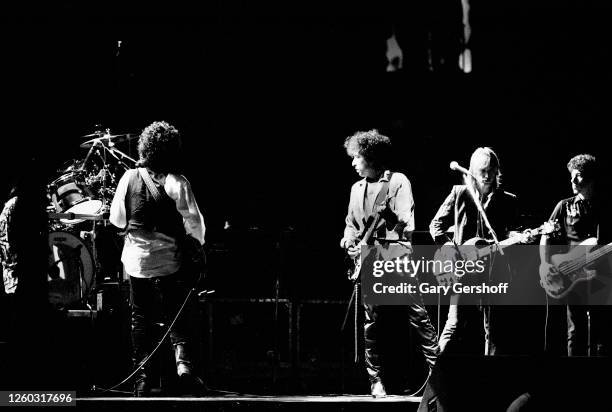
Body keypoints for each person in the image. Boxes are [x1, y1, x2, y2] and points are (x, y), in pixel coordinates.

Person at [110, 121, 206, 396]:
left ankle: (143, 378)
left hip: (137, 263)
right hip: (170, 264)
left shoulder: (129, 178)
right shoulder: (178, 182)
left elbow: (118, 220)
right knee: (179, 314)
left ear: (145, 148)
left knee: (140, 319)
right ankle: (184, 368)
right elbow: (195, 226)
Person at [340, 129, 439, 397]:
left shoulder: (398, 182)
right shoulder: (356, 188)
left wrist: (391, 214)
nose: (353, 163)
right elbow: (351, 224)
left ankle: (440, 373)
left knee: (417, 315)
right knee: (371, 322)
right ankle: (376, 380)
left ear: (370, 156)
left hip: (396, 256)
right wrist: (348, 241)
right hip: (369, 258)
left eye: (357, 157)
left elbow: (406, 225)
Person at [429, 147, 523, 355]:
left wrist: (519, 237)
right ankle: (436, 378)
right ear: (471, 170)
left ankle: (492, 383)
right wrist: (449, 250)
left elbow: (513, 232)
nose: (487, 175)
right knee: (454, 324)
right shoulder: (460, 193)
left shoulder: (508, 200)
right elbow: (435, 225)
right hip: (462, 270)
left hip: (493, 271)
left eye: (491, 170)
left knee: (495, 330)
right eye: (482, 170)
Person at [539, 154, 611, 356]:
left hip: (602, 276)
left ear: (590, 178)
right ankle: (574, 379)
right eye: (571, 176)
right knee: (575, 331)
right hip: (572, 276)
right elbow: (546, 236)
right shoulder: (564, 206)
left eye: (578, 176)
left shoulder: (605, 207)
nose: (572, 180)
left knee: (601, 333)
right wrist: (544, 264)